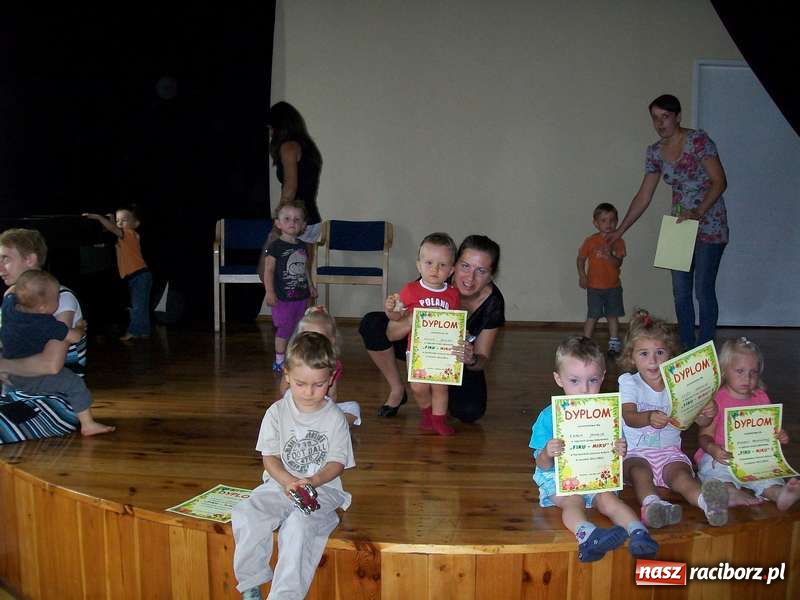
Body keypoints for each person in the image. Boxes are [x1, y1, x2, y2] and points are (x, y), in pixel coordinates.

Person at [231, 332, 354, 600]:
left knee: (298, 527)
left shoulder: (335, 418)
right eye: (301, 384)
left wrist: (313, 481)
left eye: (319, 385)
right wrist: (288, 481)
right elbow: (270, 458)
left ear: (331, 378)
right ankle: (251, 583)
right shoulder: (276, 412)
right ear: (286, 374)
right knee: (247, 513)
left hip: (322, 490)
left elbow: (337, 463)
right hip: (279, 484)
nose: (309, 392)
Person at [607, 94, 728, 351]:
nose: (660, 123)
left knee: (703, 290)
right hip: (679, 228)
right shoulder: (654, 152)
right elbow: (643, 196)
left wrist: (698, 211)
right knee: (680, 292)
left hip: (709, 224)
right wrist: (619, 230)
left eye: (665, 117)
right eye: (655, 118)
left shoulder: (698, 141)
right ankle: (686, 348)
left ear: (677, 117)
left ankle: (704, 350)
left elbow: (719, 181)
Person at [529, 336, 658, 562]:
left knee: (609, 500)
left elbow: (616, 455)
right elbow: (541, 464)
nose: (585, 390)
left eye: (593, 380)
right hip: (559, 478)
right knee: (572, 501)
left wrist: (619, 449)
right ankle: (587, 536)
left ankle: (638, 532)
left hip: (595, 475)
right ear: (559, 379)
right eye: (575, 381)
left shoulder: (607, 414)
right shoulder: (549, 417)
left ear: (603, 378)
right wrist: (547, 453)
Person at [360, 235, 505, 423]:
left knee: (469, 411)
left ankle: (439, 396)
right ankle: (397, 389)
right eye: (465, 266)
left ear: (491, 275)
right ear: (454, 265)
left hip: (455, 360)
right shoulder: (436, 277)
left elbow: (482, 359)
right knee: (372, 324)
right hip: (416, 346)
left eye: (481, 271)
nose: (470, 277)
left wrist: (471, 359)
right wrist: (413, 319)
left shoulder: (494, 302)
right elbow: (390, 334)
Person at [619, 310, 727, 528]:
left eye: (659, 352)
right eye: (644, 354)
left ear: (670, 354)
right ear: (631, 357)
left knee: (682, 476)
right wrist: (648, 417)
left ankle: (709, 504)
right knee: (640, 474)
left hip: (669, 453)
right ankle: (652, 506)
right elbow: (628, 416)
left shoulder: (679, 385)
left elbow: (697, 423)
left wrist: (706, 414)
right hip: (636, 452)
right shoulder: (630, 383)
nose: (653, 361)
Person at [1, 270, 114, 436]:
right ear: (42, 308)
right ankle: (88, 424)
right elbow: (74, 337)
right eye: (56, 299)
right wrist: (80, 327)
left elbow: (10, 294)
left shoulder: (10, 306)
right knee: (73, 383)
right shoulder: (45, 324)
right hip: (32, 376)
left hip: (9, 373)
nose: (59, 301)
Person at [695, 337, 800, 510]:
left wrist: (779, 435)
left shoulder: (761, 398)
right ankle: (729, 491)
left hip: (752, 457)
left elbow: (768, 432)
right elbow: (704, 436)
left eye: (753, 372)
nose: (748, 378)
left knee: (766, 474)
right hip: (723, 455)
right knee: (714, 469)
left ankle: (778, 493)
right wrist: (713, 449)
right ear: (724, 371)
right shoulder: (716, 400)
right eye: (740, 371)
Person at [385, 233, 460, 436]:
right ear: (418, 265)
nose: (435, 269)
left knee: (440, 388)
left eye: (442, 265)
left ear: (451, 270)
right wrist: (390, 309)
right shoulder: (411, 290)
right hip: (416, 350)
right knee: (418, 387)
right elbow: (397, 316)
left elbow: (456, 322)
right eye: (429, 262)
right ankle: (427, 413)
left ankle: (439, 419)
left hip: (443, 352)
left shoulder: (452, 294)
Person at [0, 228, 87, 377]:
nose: (0, 267)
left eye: (5, 259)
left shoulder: (60, 298)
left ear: (30, 259)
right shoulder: (10, 296)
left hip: (54, 391)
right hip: (19, 385)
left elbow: (50, 365)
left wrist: (4, 365)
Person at [258, 101, 324, 281]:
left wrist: (279, 219)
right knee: (302, 277)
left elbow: (290, 187)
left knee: (274, 274)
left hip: (293, 220)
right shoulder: (308, 148)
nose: (271, 133)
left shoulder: (288, 147)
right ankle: (305, 310)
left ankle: (285, 310)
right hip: (310, 220)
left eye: (272, 128)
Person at [278, 305, 361, 426]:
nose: (313, 344)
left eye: (319, 338)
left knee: (353, 407)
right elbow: (284, 390)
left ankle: (327, 424)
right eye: (308, 337)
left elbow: (332, 394)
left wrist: (325, 411)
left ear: (331, 340)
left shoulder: (333, 364)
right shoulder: (294, 361)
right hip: (296, 404)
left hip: (320, 403)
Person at [83, 207, 152, 341]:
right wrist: (111, 221)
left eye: (124, 220)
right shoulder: (123, 237)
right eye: (118, 220)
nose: (120, 223)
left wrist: (98, 217)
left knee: (137, 306)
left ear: (136, 224)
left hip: (140, 275)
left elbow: (113, 229)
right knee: (140, 305)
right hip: (137, 276)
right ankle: (144, 331)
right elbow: (112, 229)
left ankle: (133, 331)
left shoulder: (131, 234)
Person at [263, 200, 316, 372]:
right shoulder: (275, 247)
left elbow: (304, 268)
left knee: (299, 328)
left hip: (301, 296)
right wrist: (269, 292)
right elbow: (268, 271)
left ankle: (294, 357)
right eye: (287, 219)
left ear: (303, 225)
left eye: (297, 219)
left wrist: (310, 286)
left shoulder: (301, 245)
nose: (292, 222)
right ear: (278, 223)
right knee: (284, 327)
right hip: (282, 297)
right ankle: (279, 359)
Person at [577, 203, 626, 356]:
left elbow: (618, 263)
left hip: (613, 287)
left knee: (612, 315)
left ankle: (613, 342)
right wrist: (582, 275)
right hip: (594, 287)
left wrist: (609, 256)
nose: (608, 224)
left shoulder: (618, 241)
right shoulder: (590, 241)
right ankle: (585, 341)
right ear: (596, 223)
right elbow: (580, 259)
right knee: (593, 314)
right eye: (604, 220)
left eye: (612, 220)